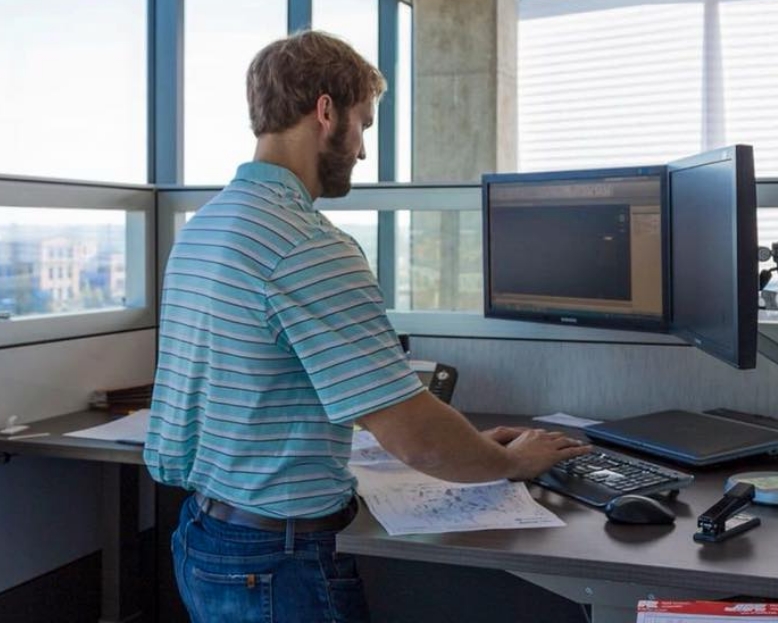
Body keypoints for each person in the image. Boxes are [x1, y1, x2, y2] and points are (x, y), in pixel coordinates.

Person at [144, 29, 590, 623]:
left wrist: (474, 445)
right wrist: (512, 462)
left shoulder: (205, 227)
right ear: (326, 112)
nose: (361, 150)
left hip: (204, 537)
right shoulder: (306, 246)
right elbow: (415, 436)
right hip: (278, 564)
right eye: (365, 124)